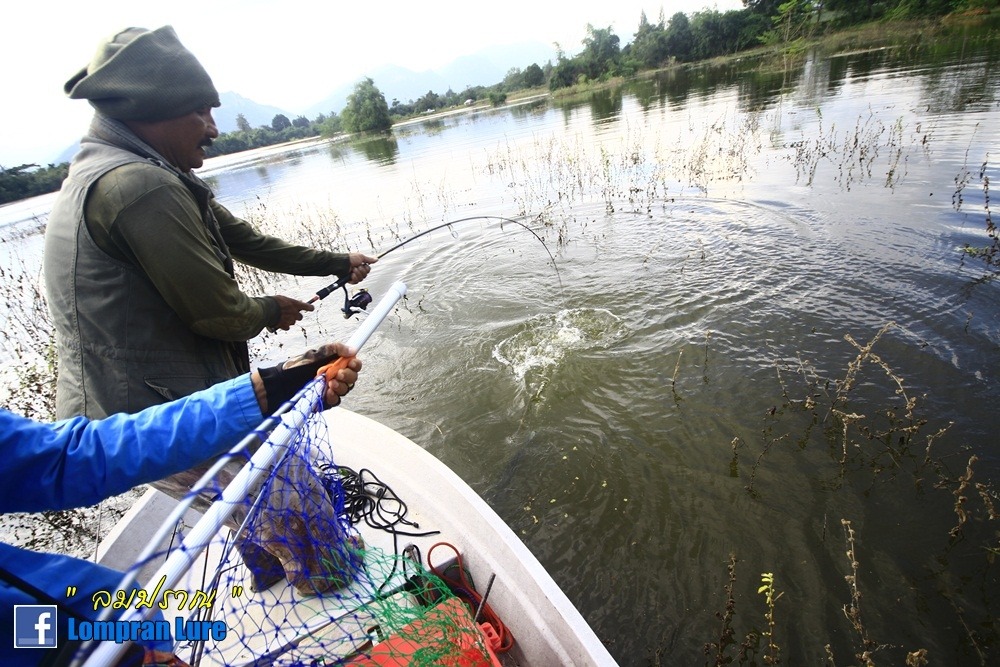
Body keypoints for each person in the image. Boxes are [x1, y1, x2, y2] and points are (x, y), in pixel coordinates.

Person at [44, 25, 377, 421]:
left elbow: (246, 241)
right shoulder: (140, 185)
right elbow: (221, 314)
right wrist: (271, 310)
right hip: (148, 417)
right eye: (201, 110)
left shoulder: (143, 171)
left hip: (141, 405)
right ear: (153, 109)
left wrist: (338, 262)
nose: (213, 128)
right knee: (277, 484)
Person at [0, 343, 362, 667]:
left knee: (230, 496)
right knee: (271, 483)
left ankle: (266, 567)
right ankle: (324, 572)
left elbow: (73, 457)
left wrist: (266, 388)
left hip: (121, 634)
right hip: (99, 641)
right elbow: (220, 312)